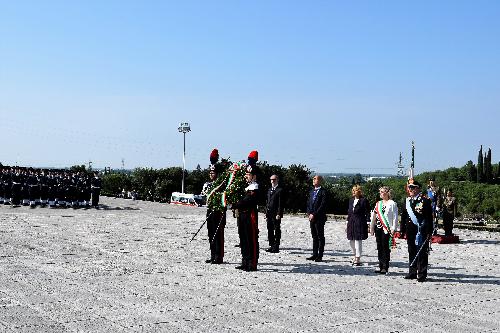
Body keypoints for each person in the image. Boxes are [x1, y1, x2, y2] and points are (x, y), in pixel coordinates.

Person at [400, 180, 433, 282]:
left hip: (421, 230)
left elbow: (428, 218)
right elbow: (404, 216)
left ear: (418, 188)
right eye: (410, 187)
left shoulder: (425, 200)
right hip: (410, 230)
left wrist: (429, 231)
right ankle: (412, 272)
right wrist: (402, 229)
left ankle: (422, 273)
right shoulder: (407, 201)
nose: (411, 189)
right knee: (412, 250)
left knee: (422, 252)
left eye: (413, 187)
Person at [232, 157, 260, 272]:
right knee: (243, 239)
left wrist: (236, 204)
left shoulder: (255, 187)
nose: (246, 176)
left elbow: (248, 201)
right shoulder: (245, 186)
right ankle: (245, 261)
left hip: (250, 215)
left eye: (248, 174)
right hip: (242, 215)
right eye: (246, 174)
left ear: (254, 176)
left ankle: (252, 263)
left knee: (251, 239)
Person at [370, 186, 399, 274]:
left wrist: (394, 228)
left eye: (382, 192)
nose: (381, 193)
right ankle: (380, 265)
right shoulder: (378, 203)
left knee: (385, 247)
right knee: (379, 247)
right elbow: (374, 215)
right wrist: (371, 227)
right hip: (378, 228)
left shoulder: (392, 203)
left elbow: (395, 217)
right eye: (380, 192)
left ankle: (385, 267)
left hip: (387, 228)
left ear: (387, 193)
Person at [202, 162, 226, 264]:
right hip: (210, 210)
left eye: (213, 173)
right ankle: (213, 255)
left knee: (218, 234)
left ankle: (219, 256)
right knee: (211, 233)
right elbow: (204, 196)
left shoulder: (222, 184)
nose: (211, 174)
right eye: (210, 172)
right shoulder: (208, 184)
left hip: (219, 211)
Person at [346, 185, 370, 266]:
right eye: (352, 190)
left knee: (358, 240)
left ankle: (358, 258)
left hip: (360, 222)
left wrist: (368, 223)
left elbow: (367, 213)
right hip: (351, 222)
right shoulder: (351, 200)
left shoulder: (364, 200)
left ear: (359, 191)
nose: (353, 191)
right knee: (351, 240)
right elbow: (349, 212)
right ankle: (355, 254)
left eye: (355, 190)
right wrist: (347, 223)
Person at [306, 175, 327, 262]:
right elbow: (308, 203)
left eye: (315, 179)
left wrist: (314, 214)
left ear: (320, 181)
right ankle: (314, 254)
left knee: (320, 236)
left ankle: (320, 255)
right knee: (314, 236)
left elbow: (322, 205)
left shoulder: (323, 192)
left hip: (319, 217)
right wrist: (309, 213)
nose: (313, 180)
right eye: (313, 178)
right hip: (312, 217)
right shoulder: (311, 191)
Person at [265, 174, 284, 253]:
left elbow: (281, 203)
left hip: (276, 213)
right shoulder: (269, 190)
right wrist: (266, 212)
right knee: (270, 229)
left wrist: (279, 213)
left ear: (277, 180)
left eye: (274, 179)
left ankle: (276, 246)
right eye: (271, 179)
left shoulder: (280, 190)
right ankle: (271, 245)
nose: (272, 181)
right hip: (269, 213)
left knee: (276, 229)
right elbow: (267, 202)